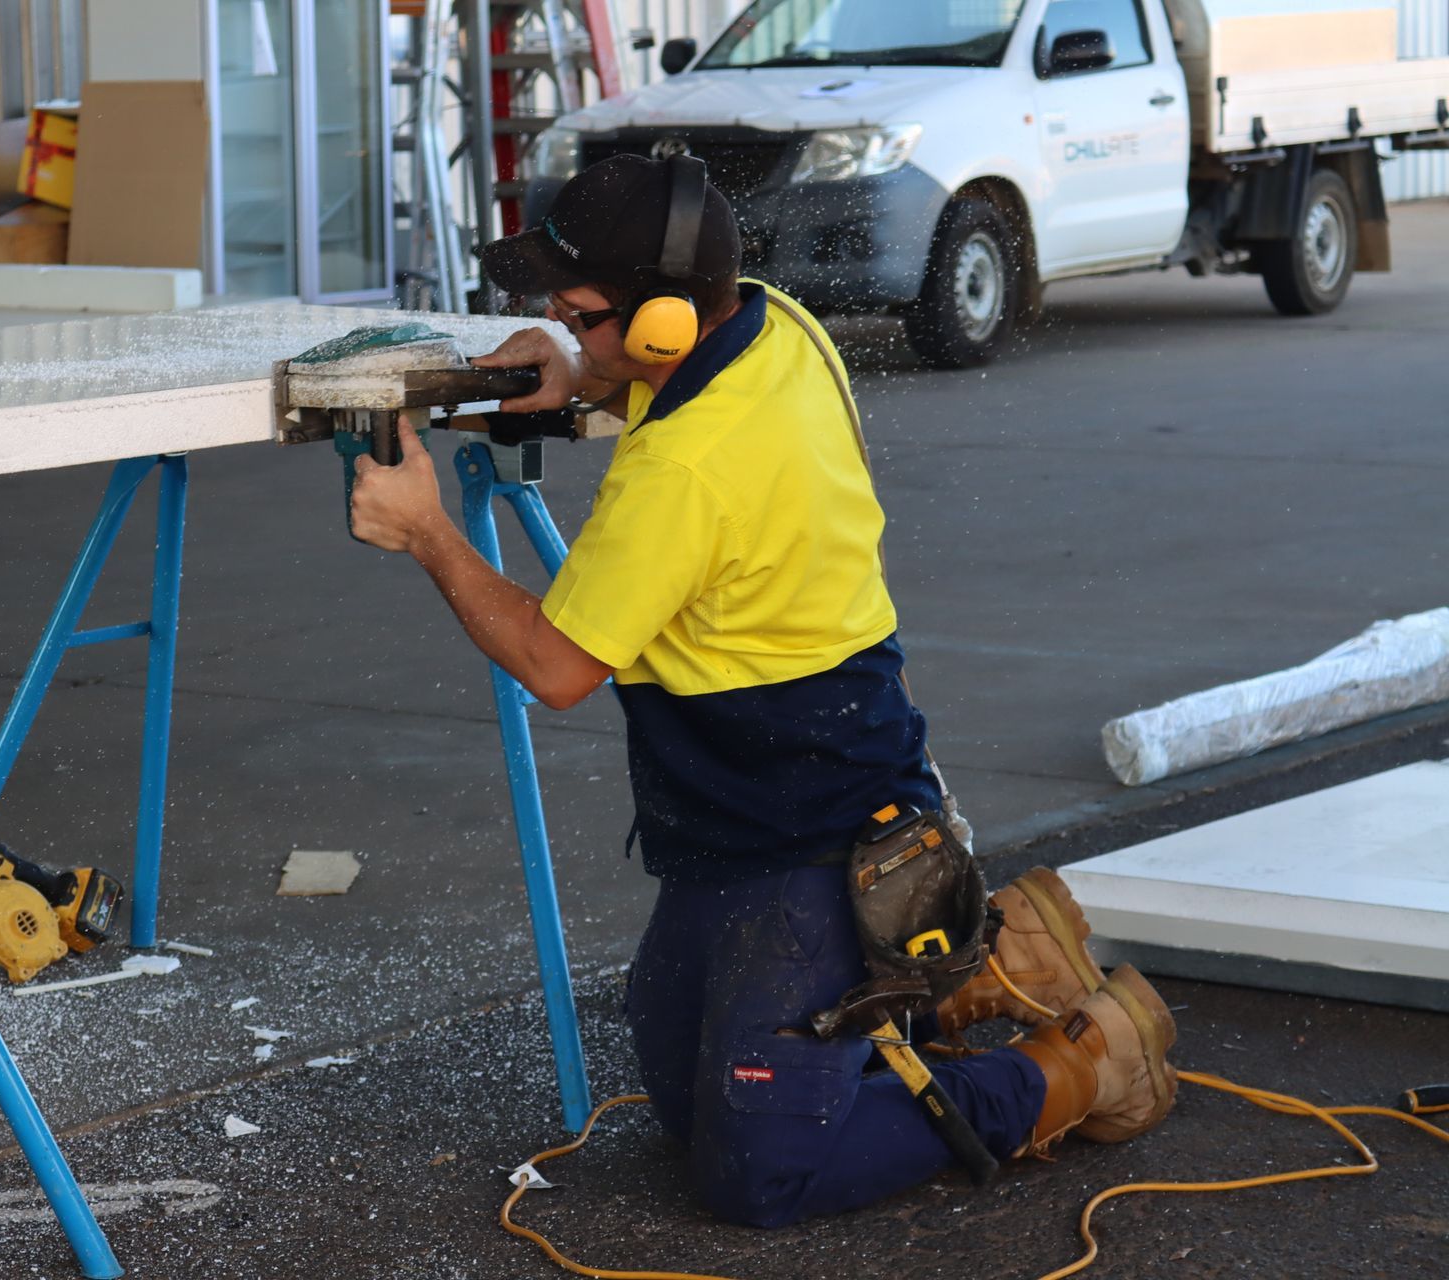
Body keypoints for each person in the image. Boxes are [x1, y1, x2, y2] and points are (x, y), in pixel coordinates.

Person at [346, 154, 1179, 1223]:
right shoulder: (771, 320)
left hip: (813, 827)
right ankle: (954, 968)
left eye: (578, 311)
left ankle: (1070, 1067)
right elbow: (660, 392)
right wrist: (576, 370)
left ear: (659, 327)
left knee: (759, 1171)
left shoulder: (684, 468)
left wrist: (427, 533)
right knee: (683, 1085)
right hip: (766, 795)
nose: (557, 320)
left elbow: (557, 666)